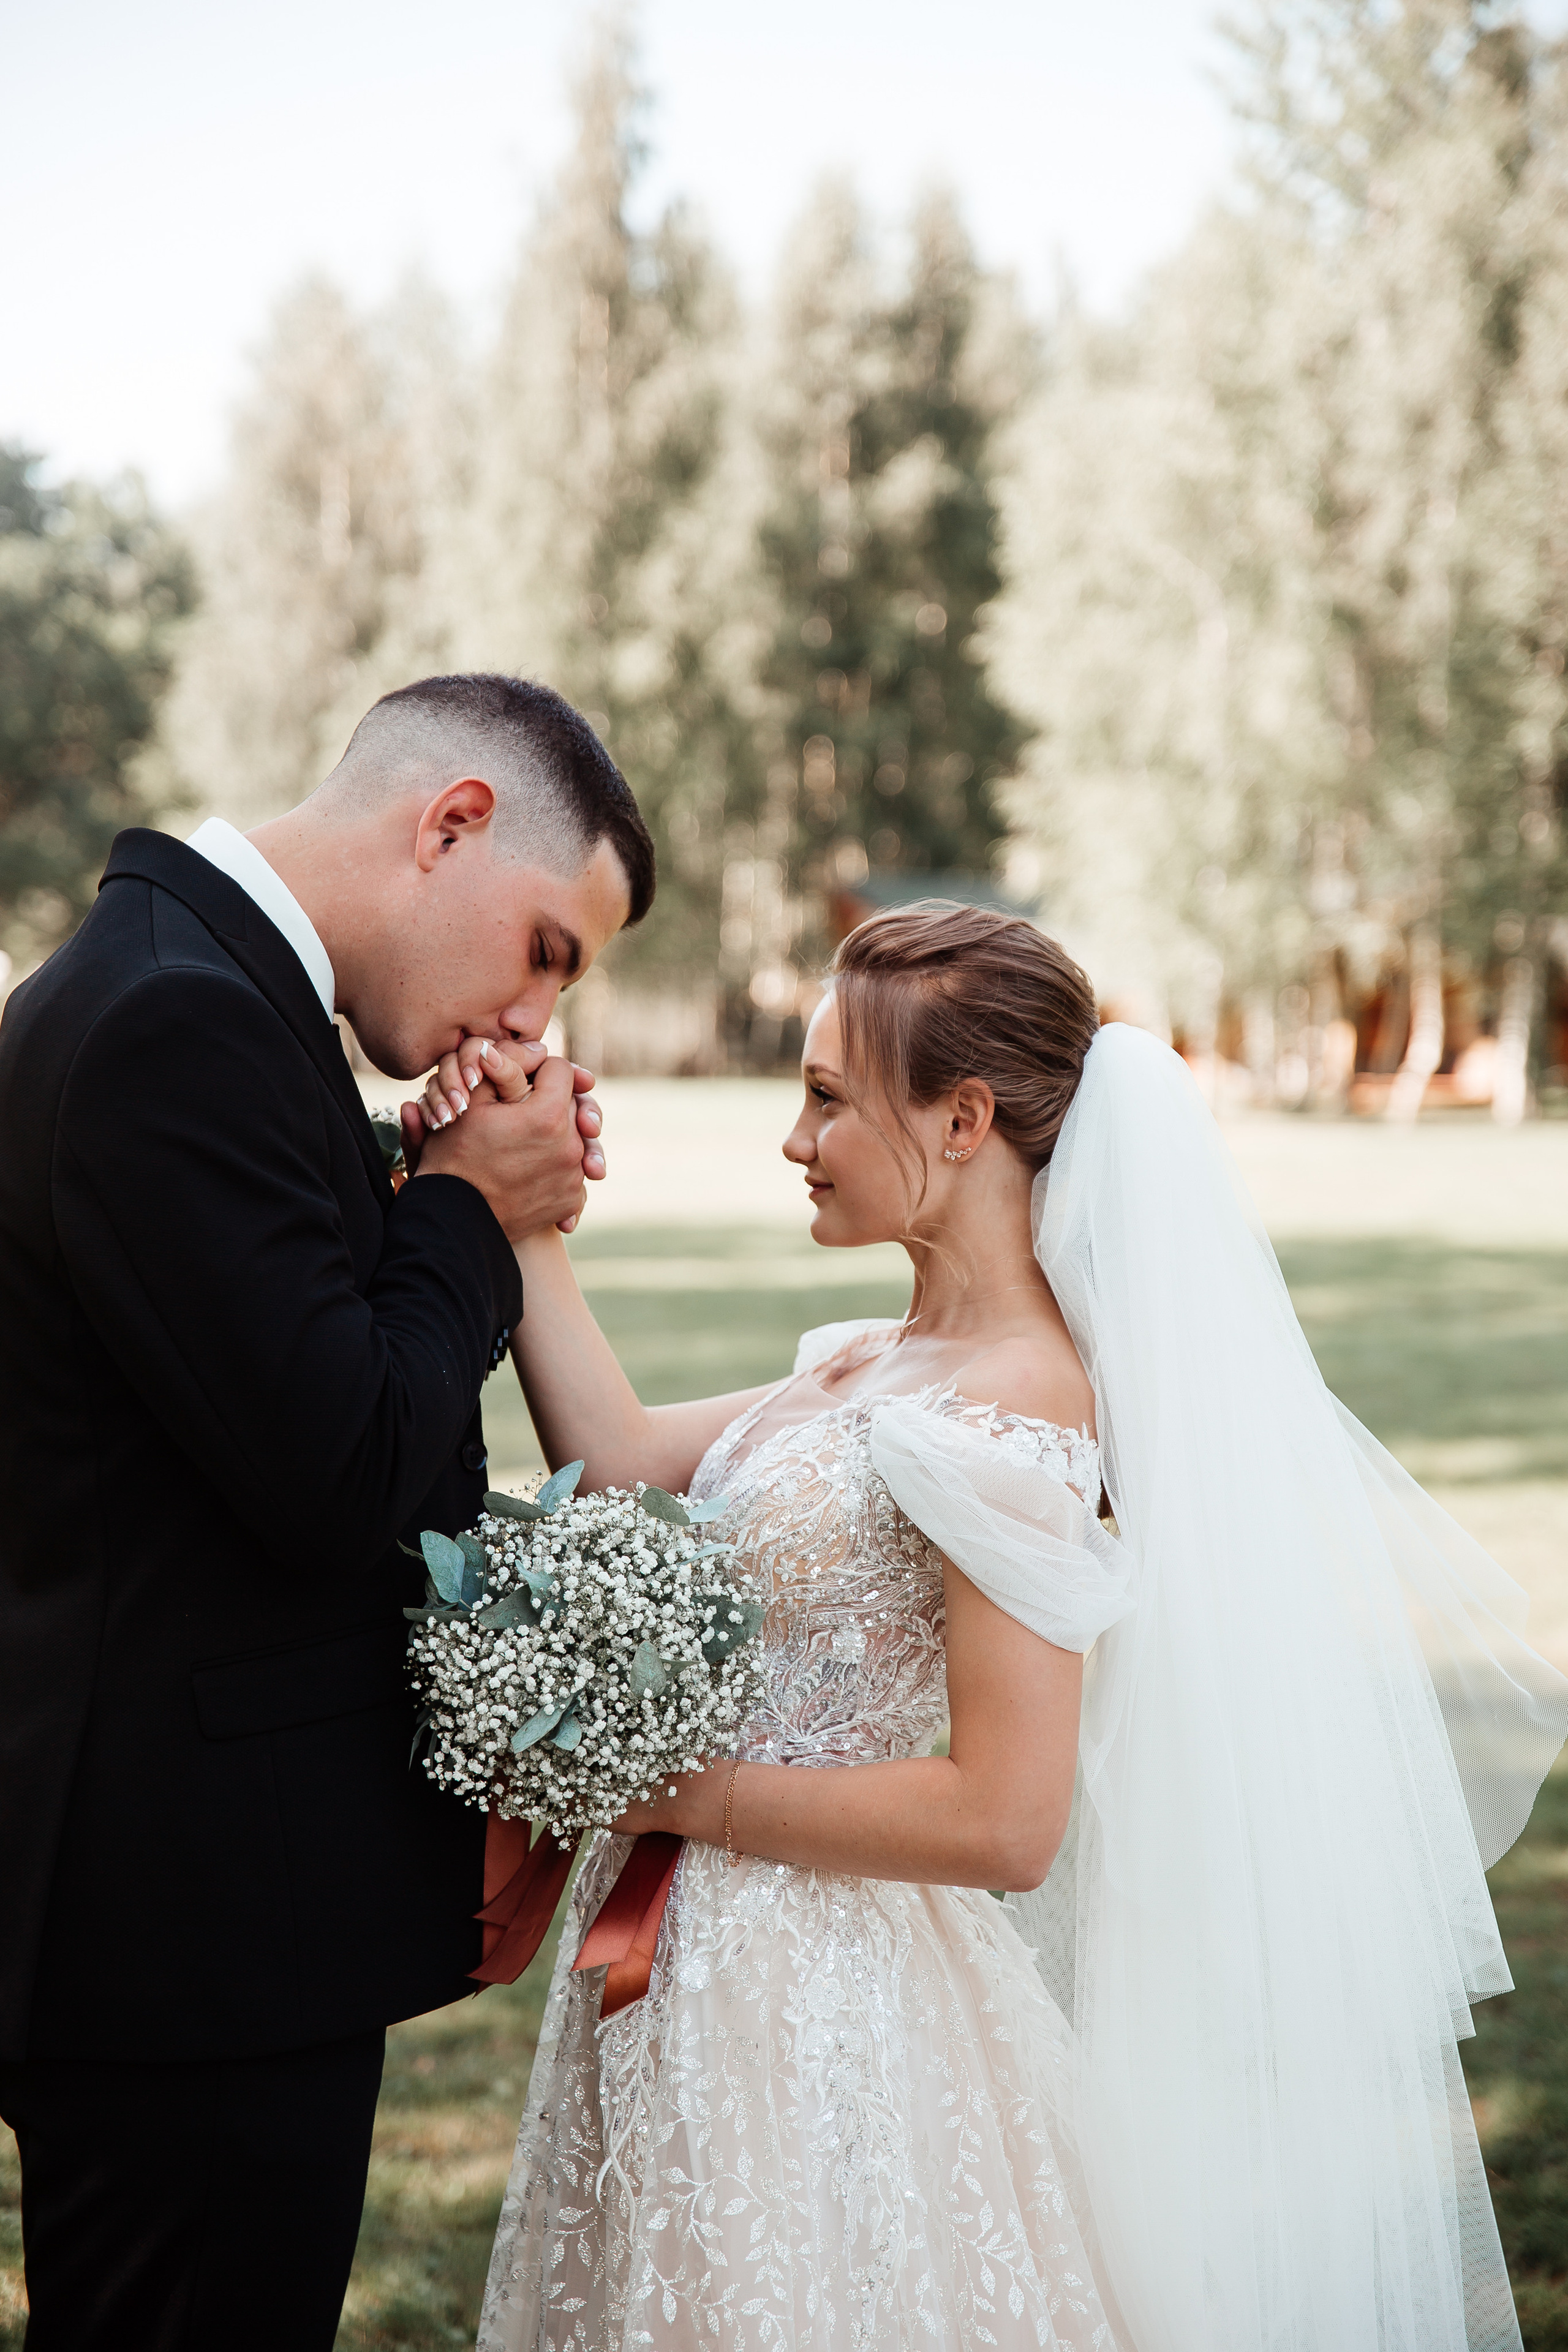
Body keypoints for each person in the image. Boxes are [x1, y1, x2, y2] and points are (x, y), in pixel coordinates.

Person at [420, 901, 1568, 2352]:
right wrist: (518, 1211)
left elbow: (1005, 1816)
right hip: (691, 1975)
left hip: (828, 2003)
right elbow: (631, 1454)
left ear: (963, 1121)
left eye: (827, 1099)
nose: (793, 1138)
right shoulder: (872, 1360)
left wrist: (675, 1796)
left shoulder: (1016, 1400)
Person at [0, 673, 655, 2352]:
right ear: (450, 823)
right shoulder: (171, 1021)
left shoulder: (203, 997)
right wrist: (464, 1215)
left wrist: (423, 1185)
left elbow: (254, 1347)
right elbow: (336, 1463)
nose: (530, 1028)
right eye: (546, 955)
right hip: (186, 1938)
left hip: (199, 1915)